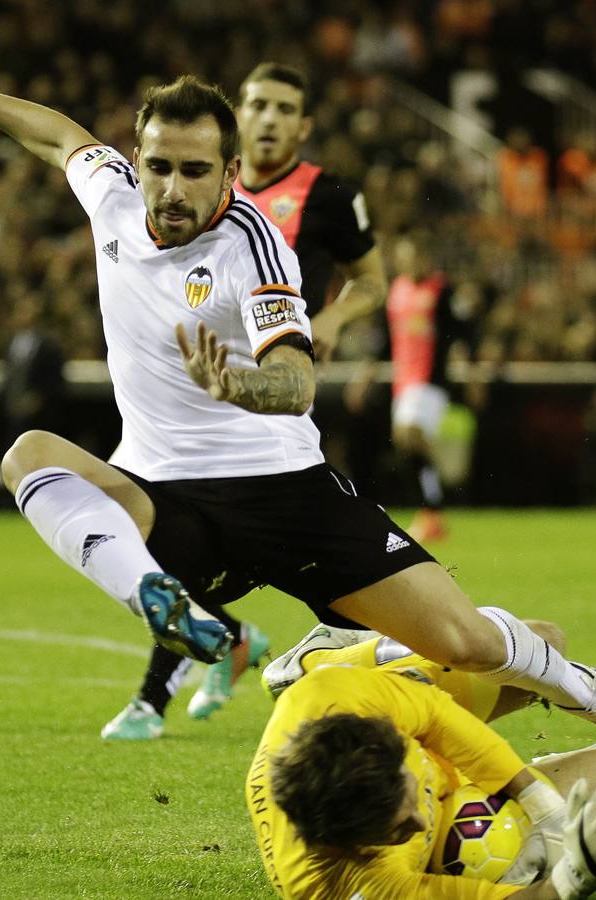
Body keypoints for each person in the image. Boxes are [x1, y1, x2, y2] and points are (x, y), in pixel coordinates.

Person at [0, 17, 596, 755]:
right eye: (158, 166)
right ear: (135, 160)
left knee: (467, 644)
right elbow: (58, 133)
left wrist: (237, 382)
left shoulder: (251, 245)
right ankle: (187, 622)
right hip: (167, 500)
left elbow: (297, 380)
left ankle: (575, 685)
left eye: (195, 171)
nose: (171, 189)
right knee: (31, 455)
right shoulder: (111, 194)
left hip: (284, 493)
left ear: (230, 174)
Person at [105, 61, 389, 739]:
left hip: (271, 385)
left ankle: (326, 637)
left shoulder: (325, 195)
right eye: (259, 103)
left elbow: (372, 280)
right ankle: (203, 661)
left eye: (285, 109)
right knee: (173, 538)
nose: (270, 118)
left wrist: (333, 322)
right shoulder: (190, 189)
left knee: (236, 535)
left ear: (303, 126)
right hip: (191, 389)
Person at [249, 622, 596, 899]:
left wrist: (541, 803)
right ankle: (499, 814)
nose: (418, 822)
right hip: (441, 811)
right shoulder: (365, 882)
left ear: (388, 740)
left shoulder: (333, 697)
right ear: (350, 846)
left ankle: (316, 659)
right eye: (397, 829)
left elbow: (437, 717)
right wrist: (571, 879)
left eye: (409, 805)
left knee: (538, 643)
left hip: (355, 693)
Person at [385, 231, 474, 543]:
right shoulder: (397, 290)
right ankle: (432, 509)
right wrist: (369, 370)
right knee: (407, 444)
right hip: (403, 382)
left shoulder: (441, 290)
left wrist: (468, 364)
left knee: (409, 435)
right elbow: (388, 338)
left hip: (431, 380)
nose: (407, 262)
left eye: (412, 256)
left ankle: (432, 507)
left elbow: (463, 331)